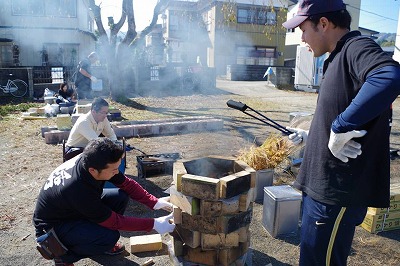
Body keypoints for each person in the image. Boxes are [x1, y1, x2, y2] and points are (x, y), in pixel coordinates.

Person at [283, 0, 400, 265]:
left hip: (335, 192)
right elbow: (338, 108)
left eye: (303, 29)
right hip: (322, 189)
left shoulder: (356, 47)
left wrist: (340, 126)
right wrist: (312, 137)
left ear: (323, 24)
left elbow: (389, 77)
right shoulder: (334, 57)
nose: (302, 38)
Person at [33, 137, 175, 266]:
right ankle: (64, 257)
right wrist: (154, 224)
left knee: (120, 196)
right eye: (114, 169)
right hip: (52, 230)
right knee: (109, 236)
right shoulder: (78, 189)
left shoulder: (94, 159)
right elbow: (115, 222)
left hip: (73, 210)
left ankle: (97, 242)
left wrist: (154, 202)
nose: (116, 172)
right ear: (93, 171)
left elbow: (126, 184)